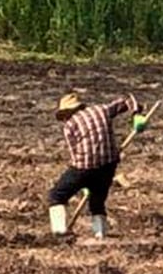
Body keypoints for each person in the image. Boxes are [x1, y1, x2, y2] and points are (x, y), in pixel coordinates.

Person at [48, 92, 147, 239]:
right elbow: (128, 100)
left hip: (85, 168)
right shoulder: (101, 110)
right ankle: (100, 235)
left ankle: (59, 232)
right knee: (97, 201)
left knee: (57, 195)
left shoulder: (69, 126)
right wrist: (136, 114)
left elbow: (75, 156)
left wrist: (84, 181)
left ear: (67, 113)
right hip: (107, 166)